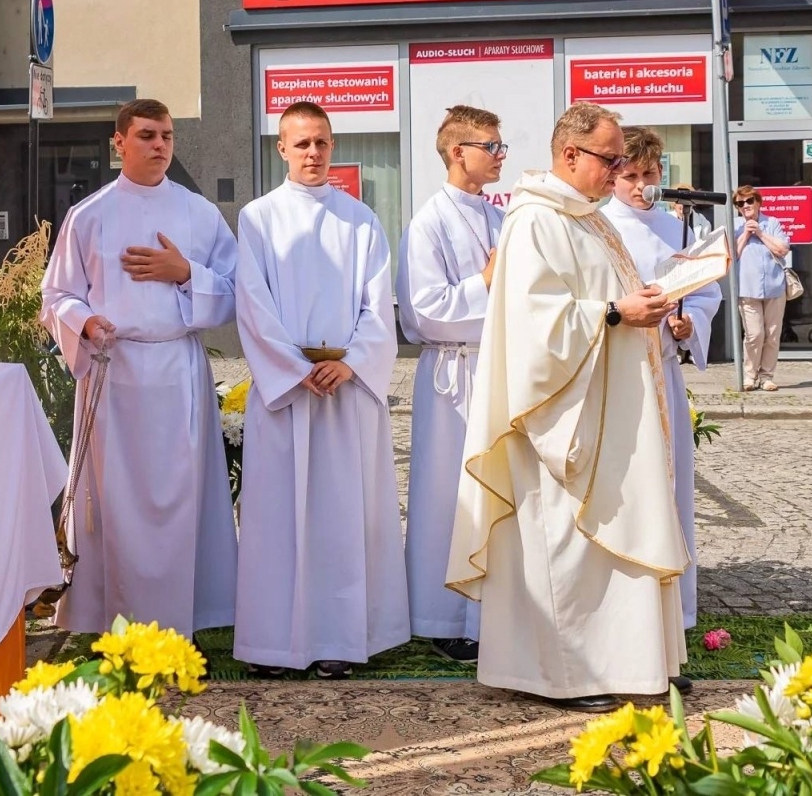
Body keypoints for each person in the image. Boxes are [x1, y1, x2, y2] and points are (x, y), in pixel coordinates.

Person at [449, 102, 686, 713]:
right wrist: (617, 312)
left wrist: (645, 302)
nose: (620, 170)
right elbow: (534, 325)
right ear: (570, 154)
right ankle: (565, 675)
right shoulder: (535, 219)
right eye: (611, 159)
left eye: (622, 159)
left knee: (613, 535)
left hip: (608, 401)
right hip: (559, 415)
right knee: (566, 544)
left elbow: (604, 297)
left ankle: (632, 662)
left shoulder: (588, 218)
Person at [40, 98, 239, 637]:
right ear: (119, 142)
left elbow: (236, 289)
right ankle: (115, 620)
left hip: (177, 370)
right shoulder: (89, 215)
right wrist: (84, 321)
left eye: (167, 136)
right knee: (117, 503)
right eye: (147, 135)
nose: (159, 145)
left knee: (180, 498)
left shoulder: (198, 213)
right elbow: (56, 295)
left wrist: (184, 272)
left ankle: (181, 621)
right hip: (115, 371)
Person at [233, 101, 407, 679]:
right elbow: (251, 302)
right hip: (286, 392)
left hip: (344, 390)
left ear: (333, 147)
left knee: (342, 519)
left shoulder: (361, 219)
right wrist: (291, 368)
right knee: (277, 521)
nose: (313, 153)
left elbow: (378, 305)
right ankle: (274, 646)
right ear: (280, 148)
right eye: (302, 143)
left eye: (322, 142)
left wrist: (352, 363)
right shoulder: (258, 218)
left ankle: (340, 639)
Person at [396, 105, 506, 663]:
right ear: (458, 152)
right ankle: (442, 618)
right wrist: (485, 281)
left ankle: (494, 613)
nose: (500, 155)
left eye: (501, 146)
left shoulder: (501, 218)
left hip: (496, 367)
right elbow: (424, 311)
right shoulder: (428, 223)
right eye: (491, 146)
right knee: (447, 495)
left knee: (494, 492)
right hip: (450, 378)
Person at [602, 127, 722, 632]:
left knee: (670, 483)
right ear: (612, 176)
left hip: (665, 370)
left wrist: (690, 320)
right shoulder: (599, 225)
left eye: (648, 174)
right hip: (621, 372)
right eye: (628, 175)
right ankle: (624, 600)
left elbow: (704, 291)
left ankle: (675, 605)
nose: (639, 186)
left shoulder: (678, 228)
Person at [733, 186, 791, 392]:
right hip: (747, 288)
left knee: (772, 335)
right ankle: (749, 375)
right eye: (740, 203)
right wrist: (745, 234)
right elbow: (731, 255)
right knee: (754, 334)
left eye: (749, 201)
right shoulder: (735, 225)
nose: (745, 206)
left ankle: (767, 376)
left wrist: (759, 232)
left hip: (774, 287)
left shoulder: (771, 223)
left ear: (758, 202)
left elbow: (782, 249)